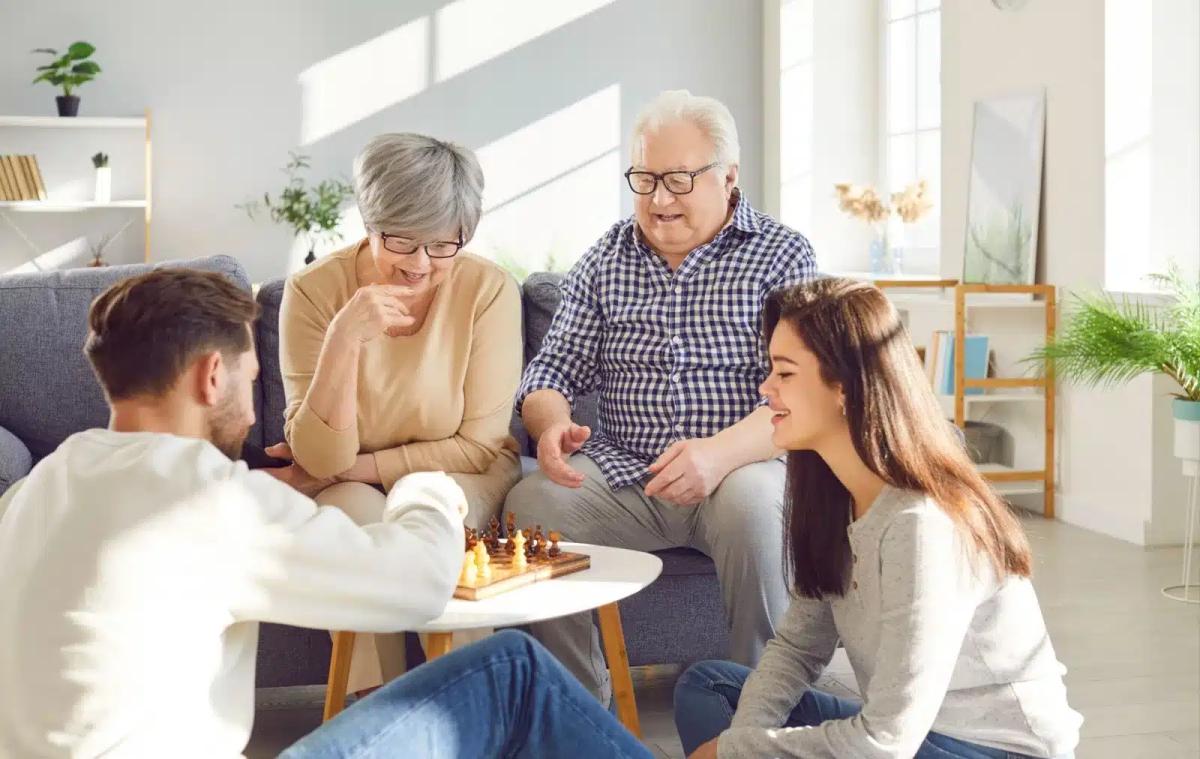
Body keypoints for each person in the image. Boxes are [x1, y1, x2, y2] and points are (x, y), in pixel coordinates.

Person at [0, 268, 649, 759]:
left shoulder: (38, 487)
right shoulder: (210, 496)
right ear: (210, 377)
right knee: (509, 667)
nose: (255, 415)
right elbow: (419, 584)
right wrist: (428, 488)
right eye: (250, 381)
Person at [672, 278, 1082, 759]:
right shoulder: (833, 499)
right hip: (910, 736)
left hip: (983, 750)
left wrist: (733, 753)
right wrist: (741, 743)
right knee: (711, 685)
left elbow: (885, 743)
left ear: (844, 387)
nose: (765, 389)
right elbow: (798, 648)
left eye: (784, 374)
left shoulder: (923, 523)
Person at [505, 89, 817, 702]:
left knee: (756, 512)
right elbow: (547, 374)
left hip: (742, 468)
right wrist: (551, 425)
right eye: (644, 179)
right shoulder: (605, 259)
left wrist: (717, 456)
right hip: (627, 476)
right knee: (531, 507)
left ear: (728, 177)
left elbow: (803, 392)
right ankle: (578, 705)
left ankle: (761, 709)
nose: (658, 200)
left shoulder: (783, 255)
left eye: (678, 179)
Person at [275, 133, 522, 691]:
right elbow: (321, 452)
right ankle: (381, 720)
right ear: (369, 222)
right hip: (348, 481)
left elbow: (478, 445)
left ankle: (466, 718)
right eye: (401, 241)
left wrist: (345, 469)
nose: (419, 264)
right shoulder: (315, 293)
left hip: (461, 475)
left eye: (442, 244)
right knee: (350, 534)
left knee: (429, 514)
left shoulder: (487, 290)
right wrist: (344, 339)